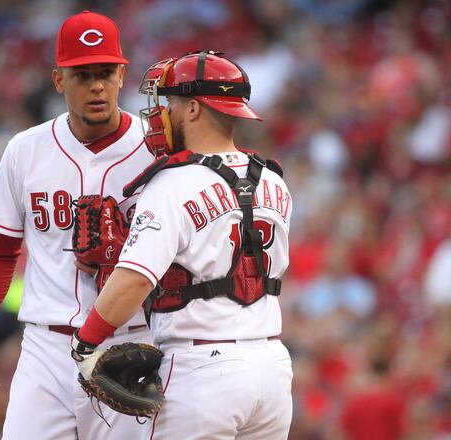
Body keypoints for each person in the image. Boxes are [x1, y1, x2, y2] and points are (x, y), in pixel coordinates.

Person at [71, 51, 295, 439]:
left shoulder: (171, 184)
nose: (163, 114)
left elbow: (135, 279)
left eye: (171, 103)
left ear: (193, 108)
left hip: (202, 369)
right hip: (272, 368)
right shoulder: (274, 180)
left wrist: (85, 343)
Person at [0, 10, 154, 439]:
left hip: (131, 343)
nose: (96, 85)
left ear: (123, 74)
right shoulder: (25, 150)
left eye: (105, 72)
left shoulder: (156, 151)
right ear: (58, 79)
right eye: (82, 75)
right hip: (46, 347)